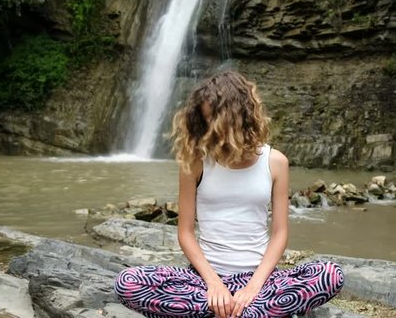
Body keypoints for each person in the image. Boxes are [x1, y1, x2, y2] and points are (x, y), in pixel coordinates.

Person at [114, 71, 344, 317]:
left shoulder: (275, 162)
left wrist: (253, 288)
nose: (211, 131)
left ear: (241, 116)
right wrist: (215, 285)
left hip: (261, 281)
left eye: (216, 121)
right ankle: (242, 311)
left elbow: (280, 233)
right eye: (205, 121)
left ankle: (228, 311)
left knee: (330, 274)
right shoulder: (195, 162)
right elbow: (185, 233)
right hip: (203, 281)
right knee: (127, 282)